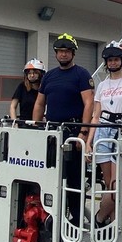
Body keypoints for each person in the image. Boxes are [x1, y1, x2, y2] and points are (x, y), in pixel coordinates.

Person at [32, 34, 94, 222]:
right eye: (60, 51)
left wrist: (83, 132)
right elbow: (39, 104)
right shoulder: (49, 76)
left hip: (73, 133)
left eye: (67, 51)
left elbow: (89, 103)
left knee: (74, 180)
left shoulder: (81, 74)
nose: (63, 55)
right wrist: (36, 129)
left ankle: (75, 221)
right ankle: (51, 219)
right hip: (51, 132)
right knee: (49, 178)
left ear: (73, 53)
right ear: (56, 54)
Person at [85, 42, 122, 228]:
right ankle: (112, 226)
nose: (113, 63)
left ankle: (99, 218)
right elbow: (96, 115)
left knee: (116, 186)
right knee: (108, 181)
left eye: (116, 59)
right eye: (110, 60)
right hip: (103, 132)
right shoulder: (102, 85)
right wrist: (89, 142)